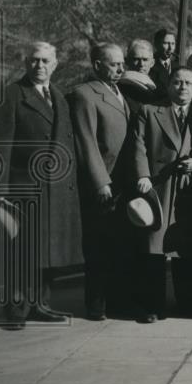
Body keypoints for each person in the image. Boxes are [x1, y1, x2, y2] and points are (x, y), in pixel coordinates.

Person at [0, 41, 82, 329]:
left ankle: (40, 304)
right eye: (34, 61)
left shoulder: (59, 97)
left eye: (45, 61)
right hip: (22, 189)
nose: (40, 66)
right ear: (26, 63)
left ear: (55, 64)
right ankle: (16, 309)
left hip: (56, 191)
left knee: (46, 252)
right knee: (20, 252)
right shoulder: (11, 95)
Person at [69, 43, 135, 321]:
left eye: (122, 63)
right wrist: (100, 182)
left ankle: (117, 301)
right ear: (97, 65)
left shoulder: (121, 92)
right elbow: (86, 141)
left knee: (119, 245)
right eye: (114, 64)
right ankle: (96, 304)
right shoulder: (85, 94)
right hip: (103, 185)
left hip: (123, 183)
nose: (121, 68)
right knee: (98, 247)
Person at [130, 68, 192, 323]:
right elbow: (138, 145)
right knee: (154, 251)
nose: (183, 87)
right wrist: (142, 176)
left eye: (188, 83)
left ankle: (186, 304)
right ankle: (152, 306)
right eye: (177, 82)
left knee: (184, 250)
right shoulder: (149, 111)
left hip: (187, 190)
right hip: (158, 188)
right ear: (169, 86)